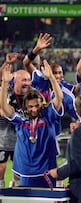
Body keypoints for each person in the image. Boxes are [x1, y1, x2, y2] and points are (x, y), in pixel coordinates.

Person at [0, 60, 63, 187]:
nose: (34, 109)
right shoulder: (21, 121)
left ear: (42, 104)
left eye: (37, 105)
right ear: (26, 107)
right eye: (31, 106)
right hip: (26, 172)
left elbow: (59, 98)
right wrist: (5, 83)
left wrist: (51, 78)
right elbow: (5, 108)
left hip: (46, 171)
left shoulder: (48, 117)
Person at [0, 53, 19, 188]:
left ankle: (17, 194)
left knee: (18, 172)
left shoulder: (17, 94)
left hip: (18, 139)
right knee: (1, 169)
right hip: (2, 139)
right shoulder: (2, 92)